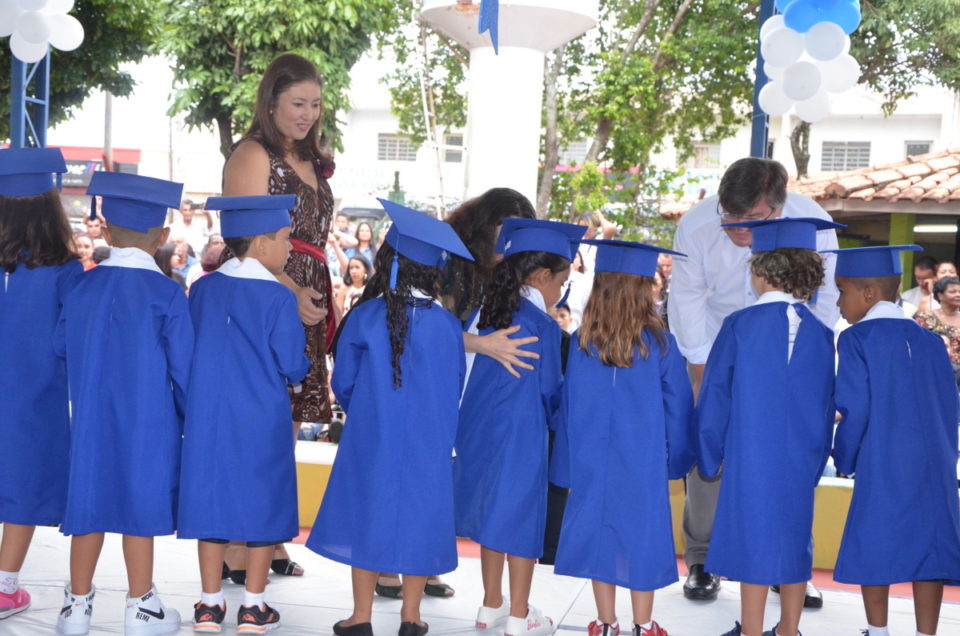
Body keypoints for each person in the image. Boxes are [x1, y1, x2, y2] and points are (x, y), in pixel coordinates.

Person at [667, 158, 839, 606]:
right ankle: (703, 558)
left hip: (790, 348)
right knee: (709, 442)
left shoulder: (815, 222)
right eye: (730, 215)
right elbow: (687, 296)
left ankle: (789, 564)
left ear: (778, 209)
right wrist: (704, 371)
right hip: (715, 344)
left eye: (751, 220)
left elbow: (829, 295)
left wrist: (806, 356)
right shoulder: (699, 222)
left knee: (790, 452)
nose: (736, 226)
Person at [306, 199, 474, 636]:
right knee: (420, 518)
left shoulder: (365, 317)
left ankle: (361, 617)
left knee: (368, 515)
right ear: (432, 271)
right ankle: (412, 618)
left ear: (389, 263)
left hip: (372, 436)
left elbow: (344, 383)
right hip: (428, 439)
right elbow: (455, 385)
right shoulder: (448, 327)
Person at [54, 171, 192, 635]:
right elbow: (184, 369)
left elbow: (60, 346)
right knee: (140, 509)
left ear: (106, 232)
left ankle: (76, 608)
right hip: (148, 423)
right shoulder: (168, 294)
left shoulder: (79, 288)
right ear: (163, 237)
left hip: (90, 419)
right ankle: (140, 608)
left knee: (88, 507)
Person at [696, 218, 842, 636]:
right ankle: (790, 630)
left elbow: (715, 396)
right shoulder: (819, 333)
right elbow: (823, 403)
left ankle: (753, 631)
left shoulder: (740, 326)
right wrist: (815, 461)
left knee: (753, 540)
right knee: (795, 540)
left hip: (749, 455)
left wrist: (711, 454)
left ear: (759, 272)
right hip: (799, 457)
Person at [222, 52, 336, 577]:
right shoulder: (251, 154)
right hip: (263, 297)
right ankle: (235, 546)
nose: (308, 113)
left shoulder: (314, 157)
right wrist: (291, 291)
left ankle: (265, 536)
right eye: (297, 103)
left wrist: (311, 294)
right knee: (257, 424)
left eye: (314, 103)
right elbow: (244, 239)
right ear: (271, 102)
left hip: (305, 295)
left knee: (286, 427)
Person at [179, 195, 310, 633]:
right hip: (261, 417)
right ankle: (254, 607)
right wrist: (296, 378)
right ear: (260, 242)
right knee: (263, 502)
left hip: (207, 416)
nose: (291, 248)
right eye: (286, 238)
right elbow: (292, 363)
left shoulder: (202, 288)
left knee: (209, 499)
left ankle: (209, 603)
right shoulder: (276, 297)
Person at [551, 239, 695, 636]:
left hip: (590, 460)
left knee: (601, 535)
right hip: (642, 462)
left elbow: (568, 408)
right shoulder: (661, 344)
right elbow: (678, 408)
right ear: (642, 289)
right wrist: (678, 458)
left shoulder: (583, 343)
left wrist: (565, 465)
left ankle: (605, 621)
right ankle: (645, 624)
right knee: (641, 536)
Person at [455, 218, 585, 636]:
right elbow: (550, 389)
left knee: (493, 515)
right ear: (544, 276)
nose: (562, 292)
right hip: (521, 432)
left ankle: (491, 603)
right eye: (562, 281)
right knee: (524, 520)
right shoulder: (543, 325)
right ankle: (519, 615)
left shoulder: (484, 311)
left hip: (477, 428)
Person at [829, 244, 960, 636]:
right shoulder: (931, 341)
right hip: (934, 462)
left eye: (842, 290)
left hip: (882, 461)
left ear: (868, 294)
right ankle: (926, 632)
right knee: (930, 547)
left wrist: (846, 458)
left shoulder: (856, 339)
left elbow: (854, 408)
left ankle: (878, 630)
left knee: (875, 543)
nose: (838, 302)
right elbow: (948, 407)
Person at [0, 148, 82, 623]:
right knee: (23, 488)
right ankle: (5, 585)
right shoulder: (65, 271)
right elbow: (69, 339)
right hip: (36, 401)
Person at [914, 276, 960, 384]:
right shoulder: (926, 318)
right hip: (932, 375)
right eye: (953, 292)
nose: (958, 295)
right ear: (940, 295)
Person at [335, 254, 371, 319]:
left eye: (357, 267)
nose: (353, 271)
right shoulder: (344, 290)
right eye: (351, 268)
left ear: (366, 270)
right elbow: (338, 314)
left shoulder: (370, 290)